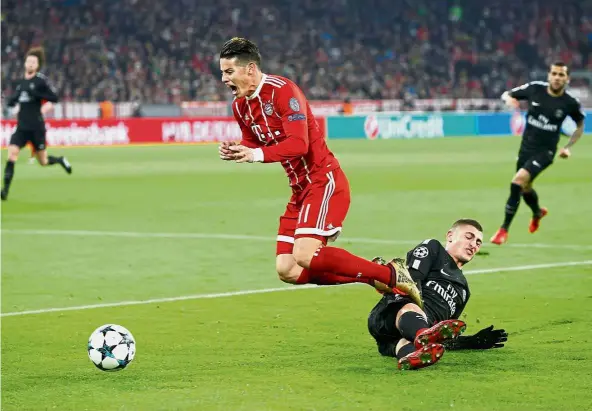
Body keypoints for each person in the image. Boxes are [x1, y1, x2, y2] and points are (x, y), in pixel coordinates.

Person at [217, 37, 422, 305]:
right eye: (222, 72)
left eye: (229, 72)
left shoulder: (283, 91)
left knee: (305, 255)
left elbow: (299, 145)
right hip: (299, 189)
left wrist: (255, 155)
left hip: (323, 180)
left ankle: (391, 274)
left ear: (251, 69)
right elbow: (254, 141)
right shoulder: (240, 106)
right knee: (287, 269)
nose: (223, 79)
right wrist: (239, 148)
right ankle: (374, 276)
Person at [368, 219, 508, 370]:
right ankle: (421, 334)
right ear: (450, 236)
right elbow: (411, 281)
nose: (473, 244)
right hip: (389, 314)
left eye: (478, 243)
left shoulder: (464, 291)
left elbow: (443, 335)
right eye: (469, 237)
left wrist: (472, 341)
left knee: (409, 344)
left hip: (402, 335)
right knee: (411, 305)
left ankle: (409, 357)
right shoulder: (434, 249)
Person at [490, 62, 585, 245]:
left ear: (567, 79)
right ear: (549, 75)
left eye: (561, 75)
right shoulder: (534, 89)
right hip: (526, 149)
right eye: (554, 74)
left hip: (546, 152)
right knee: (526, 187)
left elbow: (580, 125)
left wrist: (568, 146)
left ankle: (503, 230)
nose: (557, 78)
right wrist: (509, 99)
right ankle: (537, 212)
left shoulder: (569, 102)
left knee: (517, 181)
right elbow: (507, 93)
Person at [2, 47, 72, 201]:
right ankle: (5, 190)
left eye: (34, 62)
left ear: (38, 65)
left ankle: (60, 160)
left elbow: (54, 98)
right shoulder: (20, 83)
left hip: (36, 129)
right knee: (12, 154)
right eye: (28, 61)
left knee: (43, 161)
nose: (30, 64)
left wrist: (38, 96)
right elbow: (14, 99)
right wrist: (10, 101)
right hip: (21, 128)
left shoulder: (40, 81)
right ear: (25, 64)